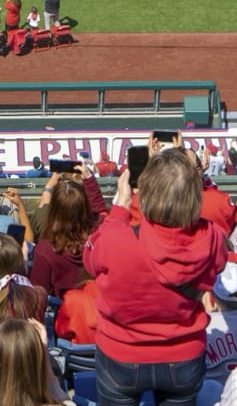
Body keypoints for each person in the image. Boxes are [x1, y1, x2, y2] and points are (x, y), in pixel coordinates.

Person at [85, 146, 227, 406]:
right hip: (183, 357)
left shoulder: (116, 239)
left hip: (121, 354)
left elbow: (90, 260)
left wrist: (120, 208)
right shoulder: (212, 237)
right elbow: (216, 260)